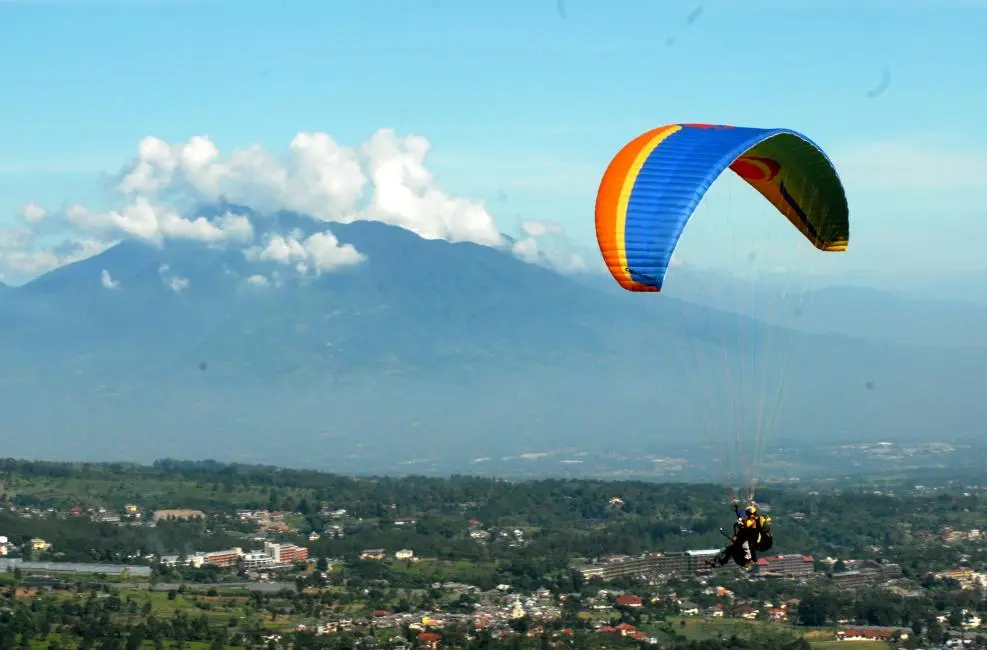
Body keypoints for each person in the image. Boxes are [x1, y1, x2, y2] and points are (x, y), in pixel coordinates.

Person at [708, 500, 771, 569]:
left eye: (747, 513)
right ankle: (717, 562)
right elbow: (742, 518)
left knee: (744, 546)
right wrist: (737, 511)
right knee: (728, 550)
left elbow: (747, 523)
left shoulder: (753, 520)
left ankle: (749, 561)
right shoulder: (750, 519)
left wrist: (741, 522)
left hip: (752, 538)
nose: (746, 515)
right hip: (747, 538)